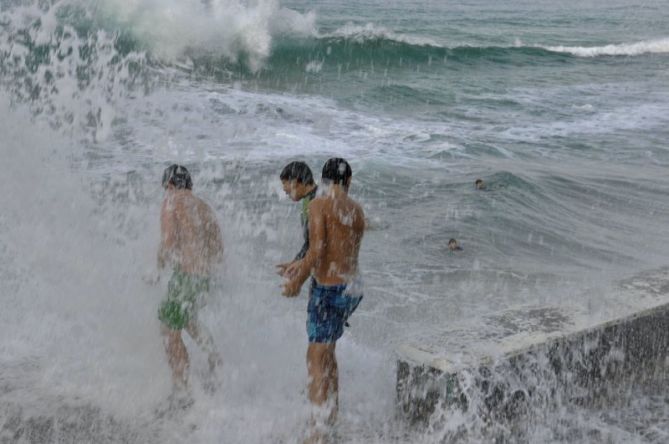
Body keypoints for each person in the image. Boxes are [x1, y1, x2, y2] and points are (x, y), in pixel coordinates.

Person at [282, 158, 365, 442]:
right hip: (352, 290)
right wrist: (300, 264)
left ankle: (318, 433)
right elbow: (345, 252)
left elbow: (318, 250)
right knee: (328, 354)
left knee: (316, 359)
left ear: (324, 180)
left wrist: (297, 280)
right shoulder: (357, 210)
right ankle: (331, 417)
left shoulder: (319, 205)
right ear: (349, 181)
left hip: (328, 291)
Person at [157, 164, 223, 402]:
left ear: (170, 185)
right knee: (189, 320)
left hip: (185, 276)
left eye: (166, 188)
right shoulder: (204, 207)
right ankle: (216, 360)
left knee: (168, 331)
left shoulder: (172, 201)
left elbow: (168, 242)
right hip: (203, 279)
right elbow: (218, 248)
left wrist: (157, 269)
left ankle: (182, 391)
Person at [276, 161, 318, 276]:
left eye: (285, 183)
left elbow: (317, 244)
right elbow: (311, 242)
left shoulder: (315, 202)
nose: (284, 189)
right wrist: (295, 263)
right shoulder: (310, 198)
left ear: (295, 182)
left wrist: (299, 267)